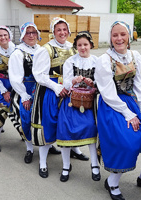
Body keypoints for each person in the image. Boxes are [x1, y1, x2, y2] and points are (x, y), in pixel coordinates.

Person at [95, 21, 141, 200]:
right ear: (110, 38)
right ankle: (112, 182)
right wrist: (128, 114)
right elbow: (108, 93)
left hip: (133, 102)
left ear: (129, 37)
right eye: (115, 35)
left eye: (122, 34)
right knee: (128, 139)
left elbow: (138, 83)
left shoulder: (135, 55)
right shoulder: (105, 60)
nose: (119, 39)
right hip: (112, 105)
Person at [32, 17, 89, 179]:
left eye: (65, 29)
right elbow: (39, 75)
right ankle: (43, 162)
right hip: (50, 92)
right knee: (48, 125)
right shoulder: (46, 49)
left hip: (70, 91)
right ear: (53, 32)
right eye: (59, 30)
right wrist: (57, 87)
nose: (62, 32)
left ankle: (73, 150)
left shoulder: (72, 47)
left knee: (68, 124)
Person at [56, 31, 100, 182]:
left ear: (91, 45)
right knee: (66, 130)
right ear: (75, 47)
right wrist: (73, 81)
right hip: (71, 101)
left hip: (89, 103)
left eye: (85, 44)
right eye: (79, 45)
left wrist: (92, 84)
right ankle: (66, 166)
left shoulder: (97, 61)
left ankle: (95, 165)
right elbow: (64, 83)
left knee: (91, 129)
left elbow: (102, 82)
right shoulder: (70, 61)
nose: (82, 48)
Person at [8, 22, 41, 163]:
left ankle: (45, 143)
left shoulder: (41, 50)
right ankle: (29, 149)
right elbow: (15, 77)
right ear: (22, 36)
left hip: (41, 89)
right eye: (28, 33)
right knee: (26, 119)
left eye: (34, 32)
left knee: (43, 119)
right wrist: (24, 96)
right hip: (25, 89)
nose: (32, 35)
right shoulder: (18, 53)